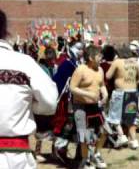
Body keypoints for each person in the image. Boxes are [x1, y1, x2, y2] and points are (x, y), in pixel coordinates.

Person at [0, 9, 58, 168]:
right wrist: (29, 106)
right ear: (5, 30)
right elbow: (50, 103)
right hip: (15, 159)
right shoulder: (24, 63)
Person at [70, 45, 108, 168]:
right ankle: (85, 160)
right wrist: (88, 94)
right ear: (91, 57)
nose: (101, 57)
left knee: (105, 131)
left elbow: (101, 84)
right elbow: (72, 88)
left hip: (96, 106)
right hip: (81, 106)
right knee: (84, 136)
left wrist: (105, 94)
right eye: (99, 55)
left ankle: (96, 154)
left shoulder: (100, 69)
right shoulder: (80, 69)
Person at [106, 47, 139, 149]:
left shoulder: (117, 62)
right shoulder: (135, 62)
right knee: (131, 117)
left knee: (114, 115)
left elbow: (108, 76)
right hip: (133, 93)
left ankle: (121, 136)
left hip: (120, 93)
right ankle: (134, 141)